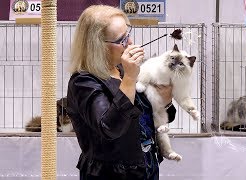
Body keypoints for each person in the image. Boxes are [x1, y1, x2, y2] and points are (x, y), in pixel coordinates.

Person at [66, 5, 176, 180]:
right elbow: (110, 128)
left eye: (128, 34)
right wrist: (130, 79)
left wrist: (166, 100)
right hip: (111, 174)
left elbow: (158, 118)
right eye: (122, 39)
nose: (130, 43)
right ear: (97, 46)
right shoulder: (84, 81)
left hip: (145, 166)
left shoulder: (123, 70)